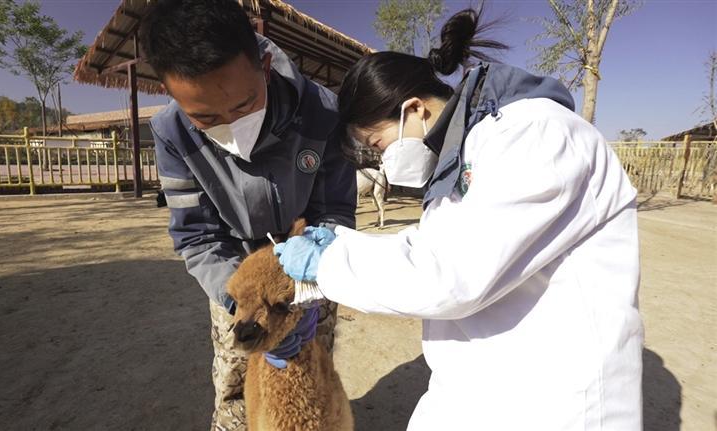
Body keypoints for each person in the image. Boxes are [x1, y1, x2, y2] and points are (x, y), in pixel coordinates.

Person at [274, 8, 643, 430]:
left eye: (378, 143)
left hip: (555, 395)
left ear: (414, 109)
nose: (384, 159)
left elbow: (451, 275)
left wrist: (329, 266)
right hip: (490, 379)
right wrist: (344, 245)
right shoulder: (467, 149)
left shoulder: (535, 135)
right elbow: (437, 245)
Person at [138, 1, 356, 429]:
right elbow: (198, 237)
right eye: (205, 117)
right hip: (235, 287)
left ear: (265, 67)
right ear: (172, 93)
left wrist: (307, 288)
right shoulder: (171, 133)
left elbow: (335, 211)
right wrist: (239, 300)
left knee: (313, 378)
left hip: (306, 284)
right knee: (236, 392)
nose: (230, 125)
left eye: (243, 105)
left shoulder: (322, 113)